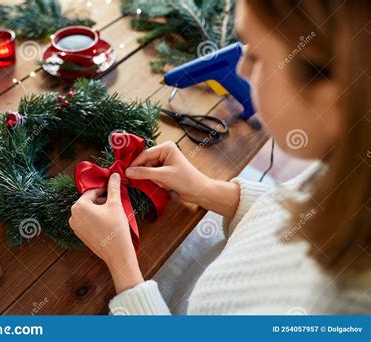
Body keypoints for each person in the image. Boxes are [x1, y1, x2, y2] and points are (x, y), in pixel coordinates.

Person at [68, 0, 370, 315]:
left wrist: (124, 268)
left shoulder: (337, 308)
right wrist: (208, 190)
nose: (241, 68)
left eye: (258, 56)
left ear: (331, 96)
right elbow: (296, 207)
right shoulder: (351, 168)